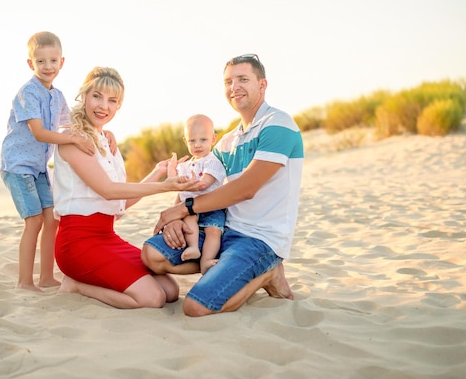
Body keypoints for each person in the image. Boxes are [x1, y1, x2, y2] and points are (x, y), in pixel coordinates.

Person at [141, 54, 304, 317]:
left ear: (262, 84)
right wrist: (175, 214)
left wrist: (185, 210)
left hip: (260, 238)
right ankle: (225, 268)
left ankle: (268, 273)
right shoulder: (227, 141)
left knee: (196, 307)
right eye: (228, 81)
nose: (234, 87)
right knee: (152, 254)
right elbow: (197, 183)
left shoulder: (278, 124)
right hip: (223, 229)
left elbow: (245, 188)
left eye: (243, 79)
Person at [53, 66, 203, 309]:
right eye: (97, 96)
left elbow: (120, 201)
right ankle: (76, 285)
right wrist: (165, 188)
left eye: (112, 101)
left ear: (118, 106)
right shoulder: (72, 139)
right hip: (78, 242)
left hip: (107, 236)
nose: (104, 106)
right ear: (84, 96)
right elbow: (109, 190)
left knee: (170, 290)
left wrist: (158, 172)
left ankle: (86, 282)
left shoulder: (107, 141)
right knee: (151, 299)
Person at [0, 31, 115, 292]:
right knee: (34, 221)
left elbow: (73, 122)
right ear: (31, 64)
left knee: (52, 219)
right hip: (17, 166)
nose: (47, 67)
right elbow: (39, 133)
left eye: (53, 61)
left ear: (61, 62)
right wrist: (72, 141)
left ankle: (47, 277)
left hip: (38, 167)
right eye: (41, 62)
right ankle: (24, 282)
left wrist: (104, 131)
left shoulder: (58, 96)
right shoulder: (27, 93)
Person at [166, 114, 226, 274]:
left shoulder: (212, 162)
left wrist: (191, 183)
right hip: (190, 208)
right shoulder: (184, 166)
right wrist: (172, 171)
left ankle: (206, 261)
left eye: (203, 140)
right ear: (185, 141)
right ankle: (193, 247)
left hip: (212, 207)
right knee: (189, 223)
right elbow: (176, 187)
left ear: (213, 139)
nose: (197, 145)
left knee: (213, 231)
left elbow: (204, 184)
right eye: (192, 141)